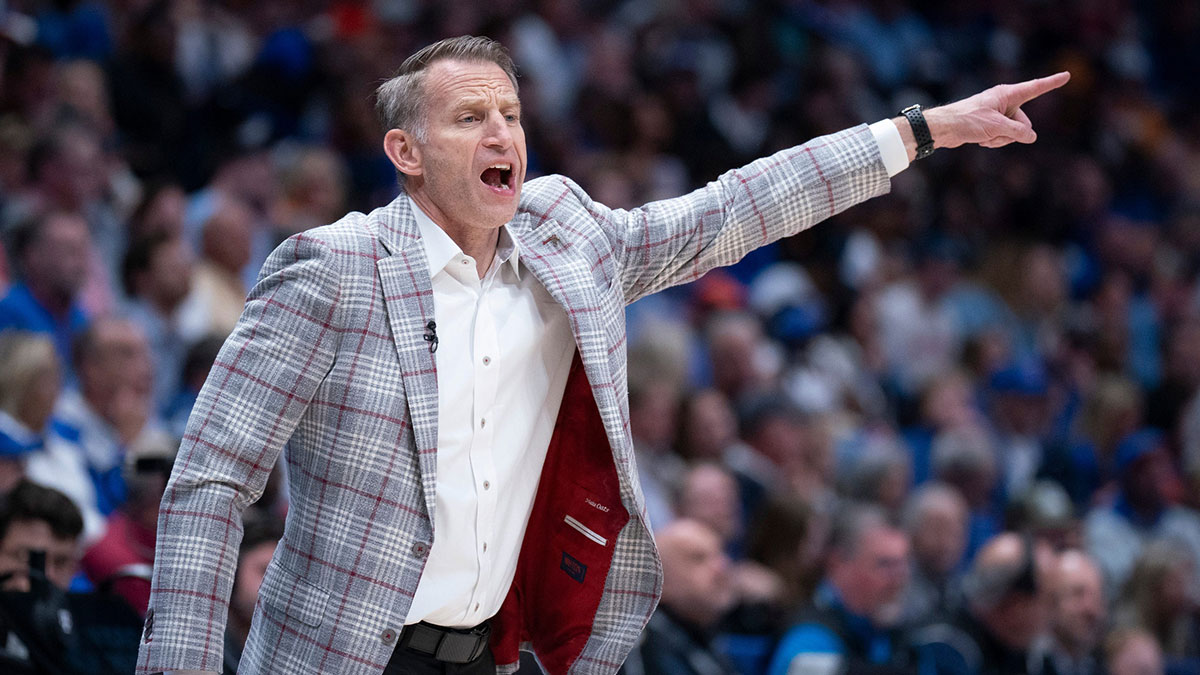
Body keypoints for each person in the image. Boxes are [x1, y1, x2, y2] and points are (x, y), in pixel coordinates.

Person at [138, 35, 1069, 675]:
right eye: (469, 117)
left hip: (491, 657)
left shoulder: (567, 237)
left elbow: (732, 208)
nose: (502, 133)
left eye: (510, 112)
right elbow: (210, 481)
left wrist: (920, 131)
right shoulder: (330, 270)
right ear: (405, 151)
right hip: (336, 653)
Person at [767, 504, 914, 675]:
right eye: (885, 565)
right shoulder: (810, 638)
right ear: (837, 563)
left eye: (904, 564)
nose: (900, 579)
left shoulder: (886, 629)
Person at [618, 519, 738, 675]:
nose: (721, 568)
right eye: (698, 558)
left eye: (720, 554)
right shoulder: (641, 649)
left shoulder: (704, 632)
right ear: (658, 579)